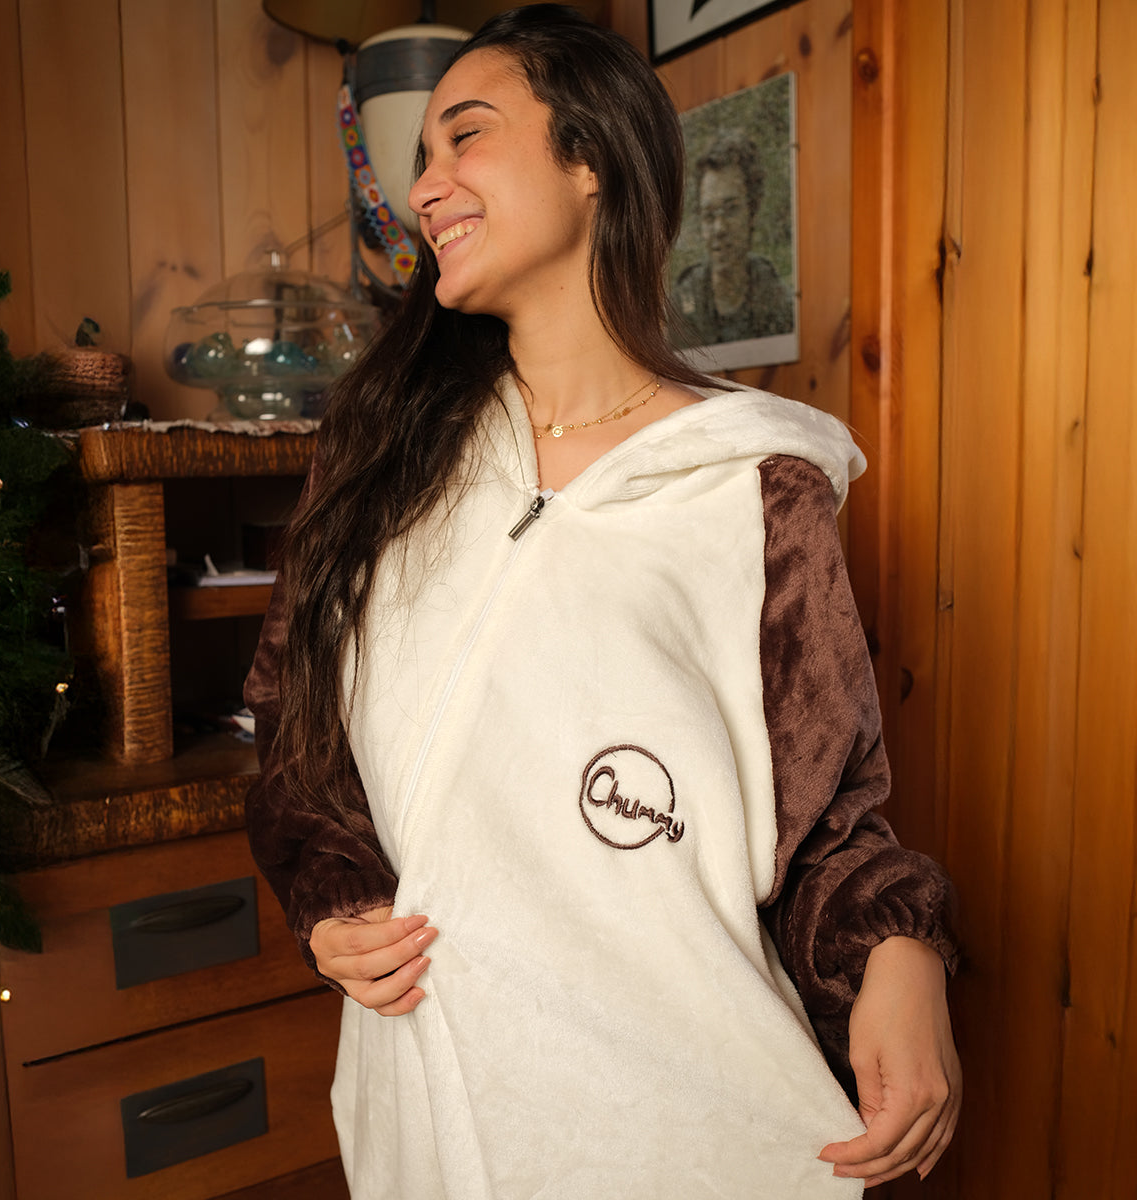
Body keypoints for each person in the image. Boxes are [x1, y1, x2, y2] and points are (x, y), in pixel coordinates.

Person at [244, 6, 961, 1198]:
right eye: (420, 158)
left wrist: (901, 952)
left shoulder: (757, 486)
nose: (425, 188)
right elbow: (293, 720)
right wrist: (332, 899)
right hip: (436, 1110)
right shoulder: (379, 457)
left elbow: (826, 819)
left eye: (466, 136)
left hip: (677, 1121)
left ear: (590, 160)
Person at [672, 131, 795, 345]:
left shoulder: (777, 302)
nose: (720, 228)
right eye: (709, 215)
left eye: (731, 210)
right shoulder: (682, 304)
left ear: (752, 212)